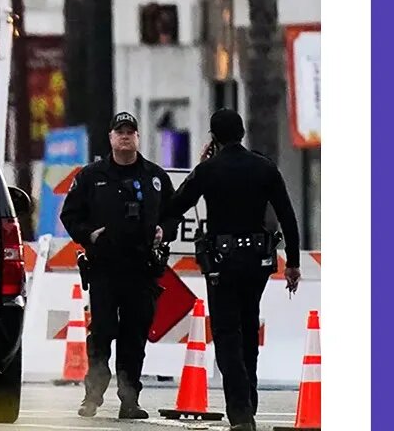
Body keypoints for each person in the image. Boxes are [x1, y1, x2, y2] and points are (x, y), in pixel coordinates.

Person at [161, 109, 301, 431]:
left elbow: (176, 206)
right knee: (249, 327)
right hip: (257, 262)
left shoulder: (209, 170)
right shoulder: (265, 168)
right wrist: (292, 262)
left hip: (222, 264)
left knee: (227, 334)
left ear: (213, 137)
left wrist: (201, 166)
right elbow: (288, 216)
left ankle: (240, 412)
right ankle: (249, 399)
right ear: (241, 133)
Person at [60, 112, 178, 420]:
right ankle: (92, 395)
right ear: (111, 138)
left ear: (138, 137)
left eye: (130, 132)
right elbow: (70, 215)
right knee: (101, 332)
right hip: (104, 268)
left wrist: (164, 230)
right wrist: (90, 235)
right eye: (119, 132)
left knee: (134, 335)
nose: (125, 136)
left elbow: (174, 212)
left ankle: (130, 399)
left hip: (141, 268)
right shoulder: (91, 176)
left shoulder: (154, 177)